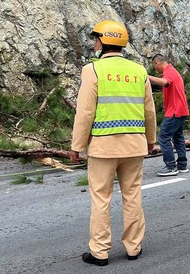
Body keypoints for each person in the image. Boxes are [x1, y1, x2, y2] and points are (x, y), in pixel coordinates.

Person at [70, 20, 157, 266]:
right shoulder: (139, 71)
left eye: (96, 39)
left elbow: (85, 112)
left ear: (103, 42)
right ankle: (133, 247)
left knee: (101, 198)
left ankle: (99, 252)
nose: (95, 43)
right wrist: (150, 140)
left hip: (103, 148)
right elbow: (149, 112)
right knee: (132, 196)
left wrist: (77, 145)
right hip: (134, 146)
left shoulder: (92, 70)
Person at [149, 54, 190, 177]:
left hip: (174, 111)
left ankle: (170, 166)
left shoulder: (169, 71)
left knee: (163, 137)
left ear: (157, 63)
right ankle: (182, 165)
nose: (155, 69)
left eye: (154, 67)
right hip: (181, 111)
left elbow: (164, 82)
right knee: (178, 137)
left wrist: (146, 77)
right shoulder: (173, 71)